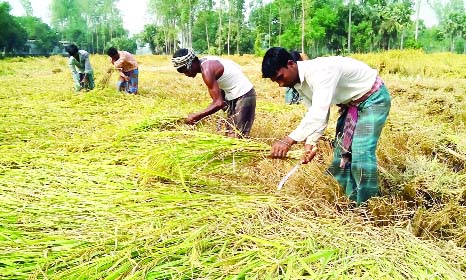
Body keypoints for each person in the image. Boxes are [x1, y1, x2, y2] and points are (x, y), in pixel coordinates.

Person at [262, 47, 391, 206]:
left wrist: (288, 140)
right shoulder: (298, 82)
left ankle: (367, 204)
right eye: (276, 81)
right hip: (352, 105)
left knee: (361, 151)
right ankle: (348, 196)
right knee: (342, 151)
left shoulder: (321, 71)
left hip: (372, 98)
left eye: (280, 77)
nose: (280, 84)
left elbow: (318, 113)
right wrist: (311, 143)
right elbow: (316, 113)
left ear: (291, 64)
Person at [171, 48, 256, 138]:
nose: (186, 74)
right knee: (229, 134)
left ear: (193, 61)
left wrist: (196, 116)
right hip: (233, 95)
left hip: (244, 94)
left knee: (236, 137)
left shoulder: (207, 71)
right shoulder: (206, 62)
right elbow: (221, 96)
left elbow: (218, 103)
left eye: (186, 69)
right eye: (182, 71)